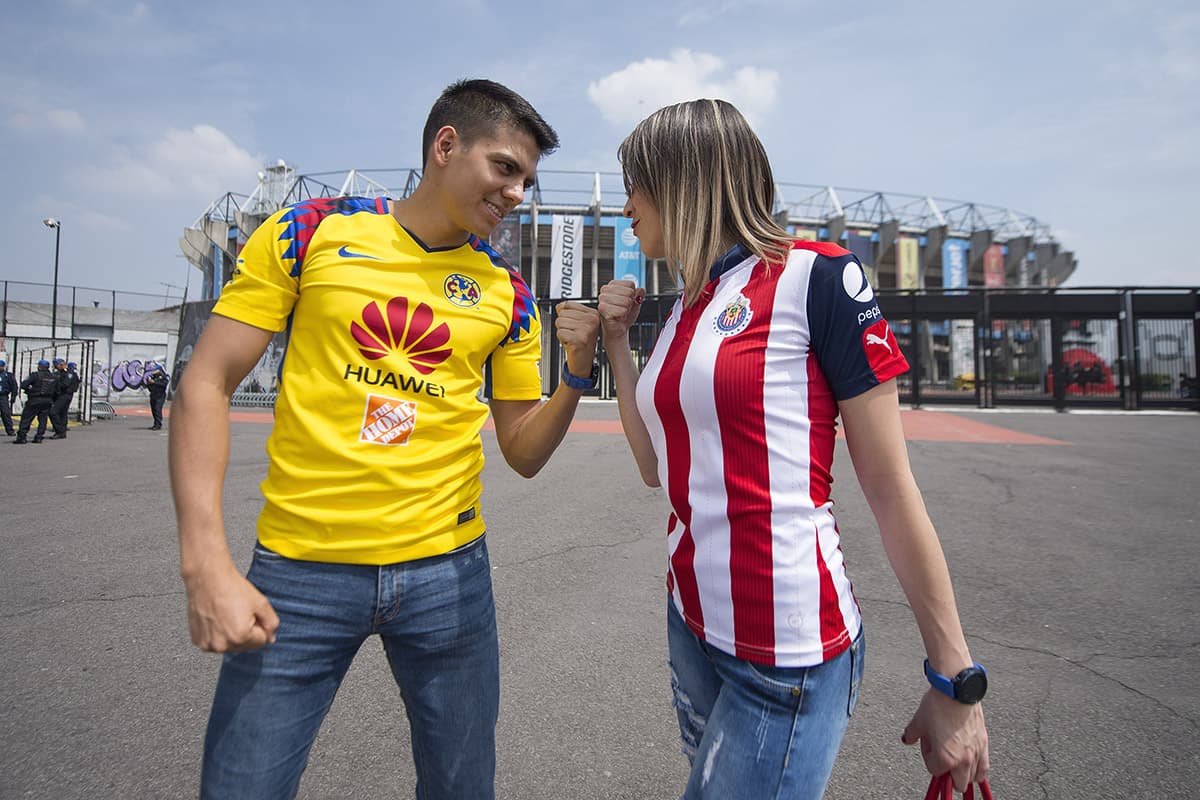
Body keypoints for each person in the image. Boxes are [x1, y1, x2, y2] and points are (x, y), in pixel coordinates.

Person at [169, 78, 600, 800]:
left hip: (450, 577)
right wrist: (206, 567)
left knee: (463, 788)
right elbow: (204, 384)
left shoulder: (508, 293)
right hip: (301, 570)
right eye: (505, 168)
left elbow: (523, 450)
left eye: (527, 180)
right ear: (445, 145)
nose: (518, 193)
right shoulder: (309, 231)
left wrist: (577, 373)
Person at [597, 99, 989, 799]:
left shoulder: (819, 276)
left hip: (786, 653)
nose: (626, 205)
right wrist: (617, 342)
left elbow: (890, 487)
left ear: (685, 179)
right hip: (690, 621)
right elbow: (656, 466)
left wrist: (955, 678)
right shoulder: (684, 306)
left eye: (637, 184)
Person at [15, 359, 59, 444]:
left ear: (39, 367)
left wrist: (29, 390)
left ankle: (22, 437)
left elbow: (24, 385)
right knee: (43, 420)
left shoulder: (35, 375)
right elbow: (57, 391)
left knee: (26, 418)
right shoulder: (54, 377)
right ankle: (39, 437)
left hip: (34, 399)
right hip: (47, 400)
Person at [49, 358, 81, 439]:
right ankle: (62, 431)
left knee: (53, 412)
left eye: (57, 365)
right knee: (62, 413)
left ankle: (59, 430)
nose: (56, 367)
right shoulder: (60, 373)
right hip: (62, 395)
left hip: (65, 395)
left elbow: (65, 384)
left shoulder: (69, 373)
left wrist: (56, 386)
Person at [144, 363, 169, 430]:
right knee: (154, 410)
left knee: (157, 409)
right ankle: (155, 424)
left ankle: (158, 424)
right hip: (153, 394)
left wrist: (154, 382)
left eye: (155, 370)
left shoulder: (163, 376)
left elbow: (164, 384)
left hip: (160, 395)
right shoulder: (153, 376)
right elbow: (149, 387)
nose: (154, 371)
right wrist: (148, 383)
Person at [0, 359, 17, 436]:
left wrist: (13, 396)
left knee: (6, 413)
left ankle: (10, 430)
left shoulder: (8, 375)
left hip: (3, 396)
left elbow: (14, 386)